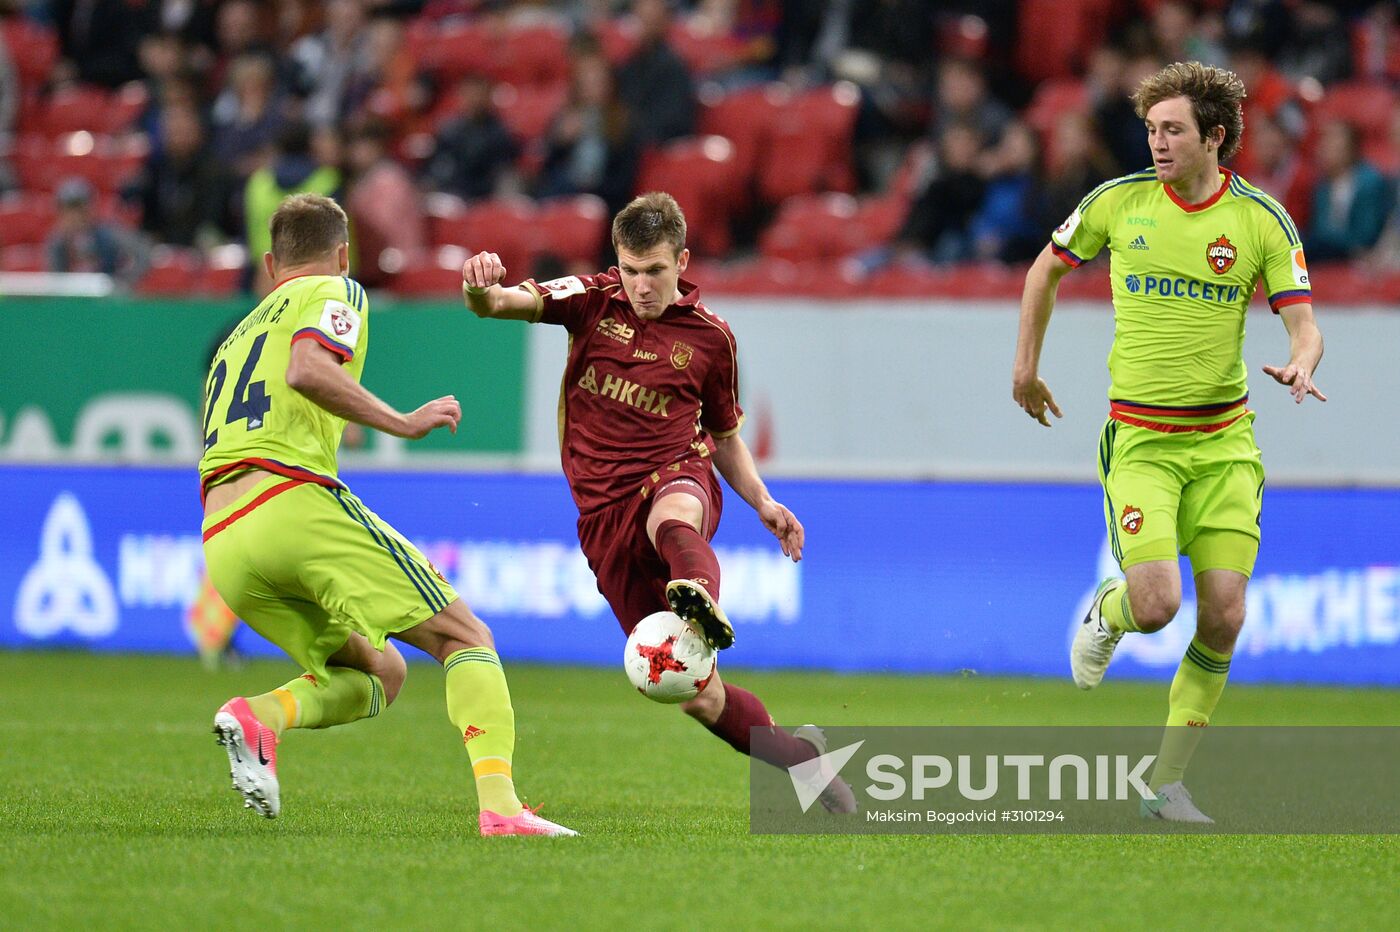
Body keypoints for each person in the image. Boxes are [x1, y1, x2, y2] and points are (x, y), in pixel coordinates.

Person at [460, 192, 855, 814]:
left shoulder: (711, 340)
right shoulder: (590, 300)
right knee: (700, 697)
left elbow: (723, 438)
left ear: (683, 262)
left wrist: (762, 501)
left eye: (655, 271)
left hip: (675, 473)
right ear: (617, 263)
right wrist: (480, 289)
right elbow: (501, 304)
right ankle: (801, 760)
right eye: (631, 269)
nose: (641, 285)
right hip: (602, 516)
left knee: (673, 515)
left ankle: (699, 595)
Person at [201, 193, 574, 837]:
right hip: (291, 504)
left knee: (380, 672)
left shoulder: (237, 333)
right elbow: (308, 368)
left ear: (269, 263)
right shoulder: (337, 290)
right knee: (466, 637)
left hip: (223, 540)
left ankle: (261, 714)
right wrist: (401, 422)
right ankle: (503, 810)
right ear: (345, 254)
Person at [1012, 62, 1325, 822]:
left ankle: (1163, 784)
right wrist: (1026, 368)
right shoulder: (1118, 205)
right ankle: (1107, 612)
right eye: (1152, 129)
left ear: (1215, 136)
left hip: (1224, 447)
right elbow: (1043, 273)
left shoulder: (1259, 220)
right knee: (1156, 607)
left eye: (1173, 130)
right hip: (1144, 443)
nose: (1157, 142)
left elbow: (1302, 321)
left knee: (1223, 615)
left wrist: (1304, 361)